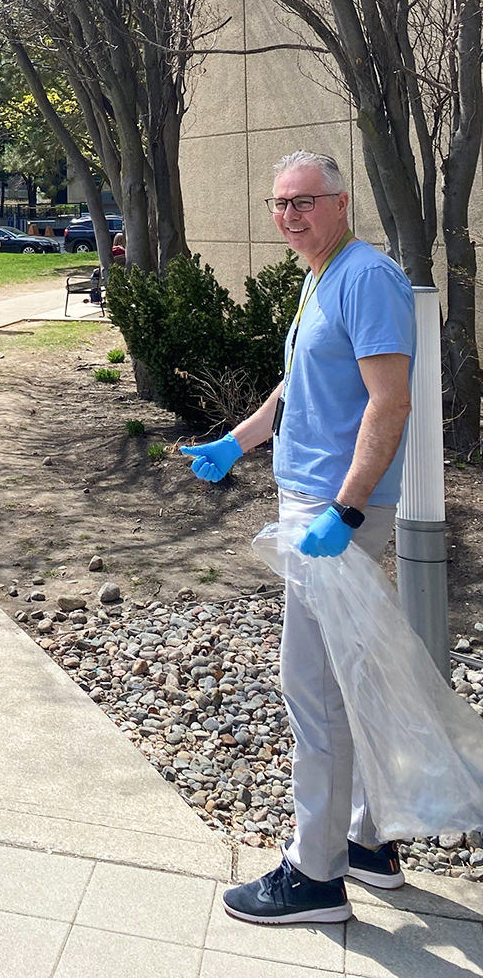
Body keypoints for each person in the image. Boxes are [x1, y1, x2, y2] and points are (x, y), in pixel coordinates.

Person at [181, 152, 415, 928]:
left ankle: (315, 878)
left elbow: (389, 403)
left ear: (341, 203)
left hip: (331, 511)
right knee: (346, 680)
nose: (289, 216)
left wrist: (344, 512)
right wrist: (237, 442)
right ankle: (369, 845)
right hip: (310, 503)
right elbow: (298, 387)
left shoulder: (366, 277)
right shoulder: (322, 276)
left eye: (305, 201)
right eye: (280, 204)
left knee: (311, 689)